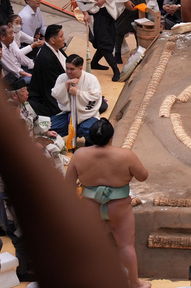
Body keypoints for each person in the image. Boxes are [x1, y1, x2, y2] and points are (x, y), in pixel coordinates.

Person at [65, 118, 151, 288]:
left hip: (90, 206)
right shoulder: (126, 155)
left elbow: (68, 185)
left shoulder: (79, 155)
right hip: (119, 207)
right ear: (111, 137)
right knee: (126, 245)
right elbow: (143, 176)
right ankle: (134, 283)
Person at [76, 0, 120, 80]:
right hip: (94, 13)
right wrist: (85, 13)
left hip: (107, 10)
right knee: (104, 42)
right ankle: (115, 70)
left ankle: (94, 63)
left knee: (109, 39)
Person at [49, 54, 101, 145]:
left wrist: (78, 93)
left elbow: (95, 97)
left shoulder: (91, 79)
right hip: (68, 115)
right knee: (46, 127)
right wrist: (66, 84)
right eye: (67, 68)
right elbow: (55, 94)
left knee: (92, 132)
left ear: (80, 68)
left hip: (87, 115)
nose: (68, 72)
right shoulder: (62, 78)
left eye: (72, 69)